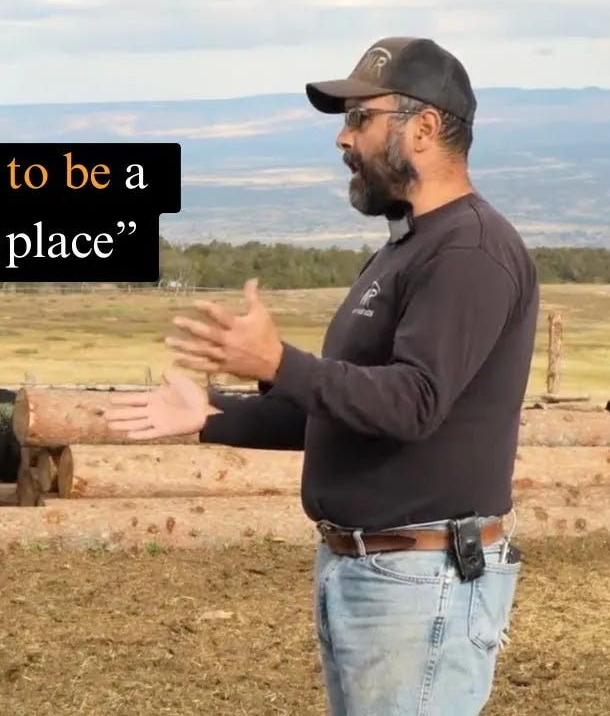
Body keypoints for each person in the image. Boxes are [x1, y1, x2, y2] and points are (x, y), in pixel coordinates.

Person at [105, 37, 538, 715]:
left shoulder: (469, 251)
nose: (343, 138)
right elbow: (345, 405)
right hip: (373, 574)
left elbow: (413, 402)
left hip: (420, 582)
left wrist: (277, 363)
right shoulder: (406, 250)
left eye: (360, 118)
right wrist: (213, 417)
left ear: (423, 128)